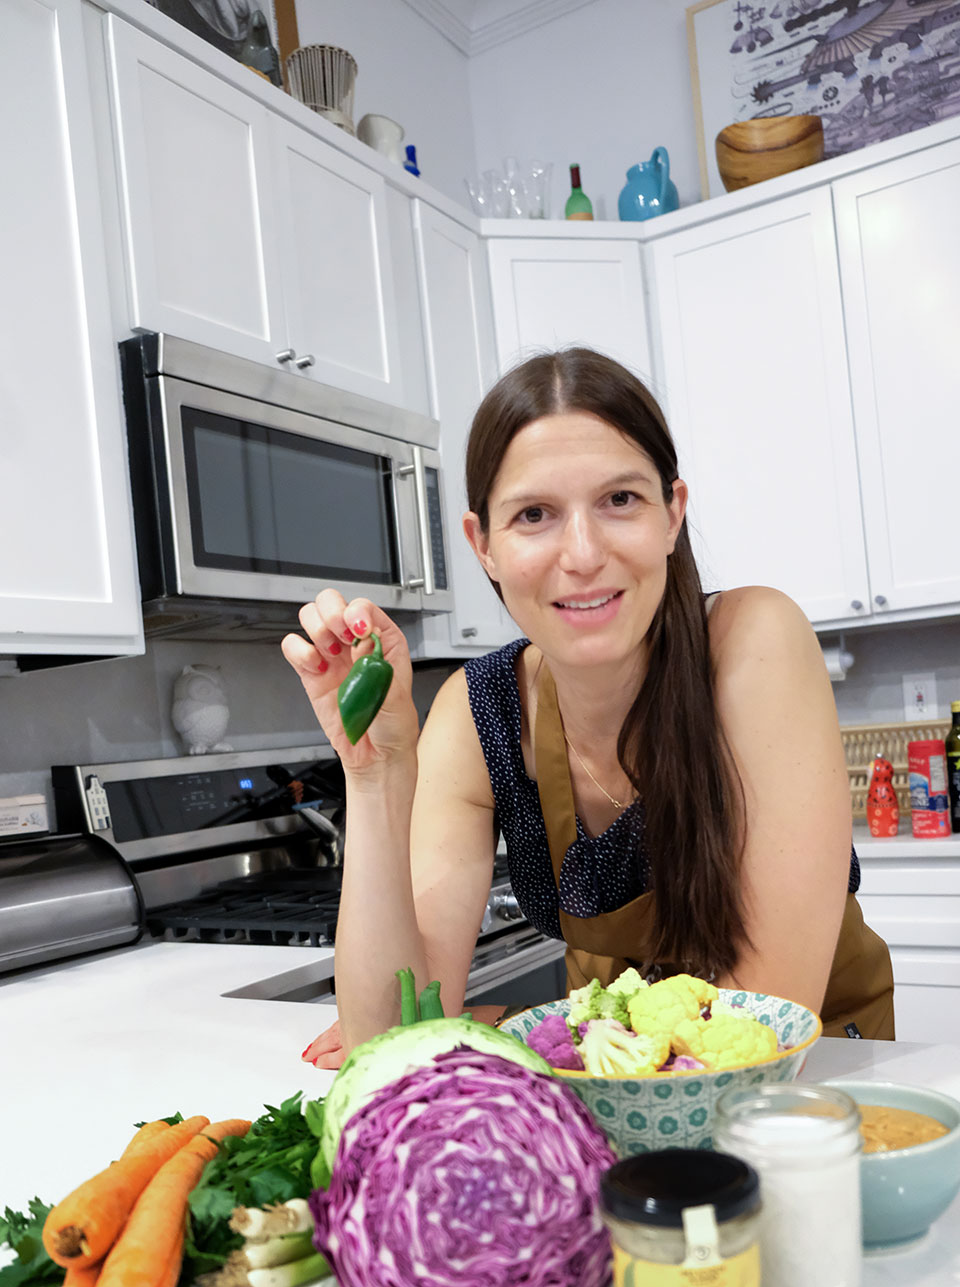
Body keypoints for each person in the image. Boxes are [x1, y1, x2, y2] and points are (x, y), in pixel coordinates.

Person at [282, 348, 893, 1069]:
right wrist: (377, 773)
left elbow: (759, 1028)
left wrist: (505, 1029)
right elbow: (385, 1044)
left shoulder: (753, 644)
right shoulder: (478, 717)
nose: (582, 553)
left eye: (621, 501)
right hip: (609, 1090)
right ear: (484, 546)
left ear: (673, 514)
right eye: (535, 514)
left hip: (812, 1083)